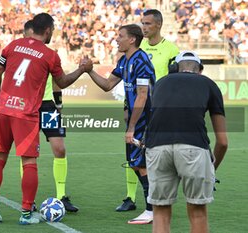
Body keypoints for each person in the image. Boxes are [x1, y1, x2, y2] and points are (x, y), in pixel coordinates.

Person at [0, 13, 92, 225]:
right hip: (27, 113)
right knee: (29, 161)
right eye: (52, 31)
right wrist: (82, 69)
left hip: (8, 109)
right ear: (47, 30)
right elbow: (61, 82)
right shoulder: (50, 55)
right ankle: (26, 213)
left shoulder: (12, 45)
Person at [145, 51, 228, 233]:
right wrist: (213, 168)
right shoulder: (209, 84)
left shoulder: (160, 83)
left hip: (157, 148)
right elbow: (222, 141)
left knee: (160, 212)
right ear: (200, 70)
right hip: (194, 148)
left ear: (175, 68)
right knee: (198, 212)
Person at [87, 24, 155, 224]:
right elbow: (108, 85)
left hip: (146, 120)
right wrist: (89, 71)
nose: (116, 39)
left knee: (141, 164)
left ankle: (152, 210)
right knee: (137, 164)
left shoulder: (141, 60)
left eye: (120, 36)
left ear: (132, 39)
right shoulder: (124, 61)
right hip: (136, 120)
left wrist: (133, 127)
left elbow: (143, 96)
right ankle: (155, 206)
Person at [116, 9, 179, 213]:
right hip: (139, 110)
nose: (144, 26)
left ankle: (154, 204)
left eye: (148, 23)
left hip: (158, 111)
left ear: (158, 25)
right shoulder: (132, 54)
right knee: (137, 159)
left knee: (149, 159)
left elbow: (174, 81)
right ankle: (136, 199)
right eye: (142, 23)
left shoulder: (170, 50)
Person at [21, 20, 78, 212]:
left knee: (59, 149)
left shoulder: (49, 55)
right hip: (27, 106)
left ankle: (61, 195)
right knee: (28, 154)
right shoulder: (18, 54)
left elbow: (56, 81)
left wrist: (58, 104)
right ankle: (28, 198)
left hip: (47, 106)